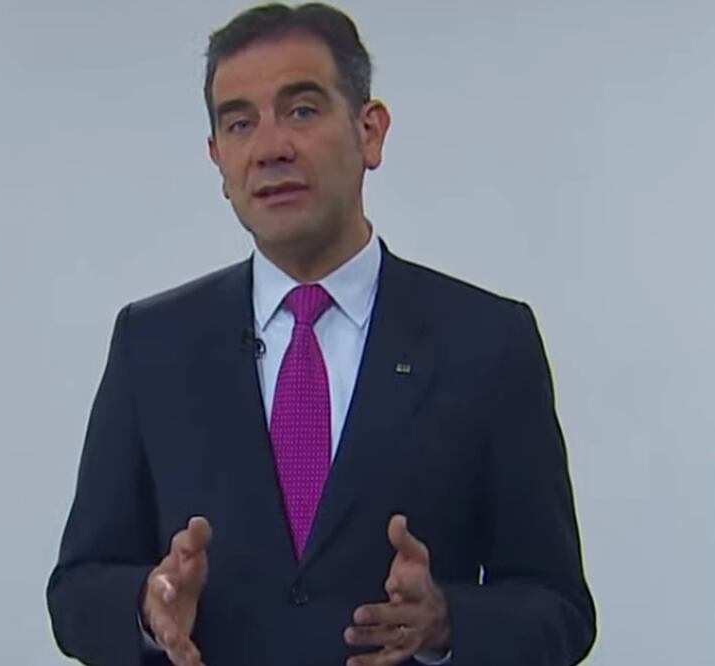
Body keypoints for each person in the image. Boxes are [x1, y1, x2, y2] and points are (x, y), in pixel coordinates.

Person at [46, 3, 596, 665]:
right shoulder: (152, 343)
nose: (271, 146)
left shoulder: (487, 342)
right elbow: (77, 588)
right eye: (239, 122)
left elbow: (558, 609)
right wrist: (145, 603)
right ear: (217, 158)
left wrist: (446, 620)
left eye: (301, 110)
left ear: (369, 132)